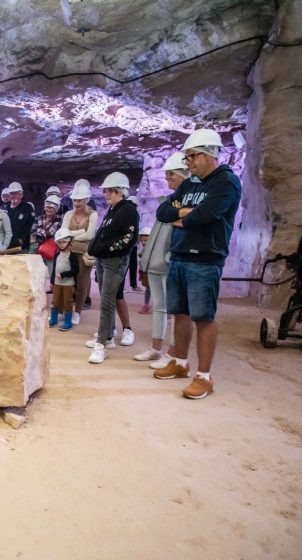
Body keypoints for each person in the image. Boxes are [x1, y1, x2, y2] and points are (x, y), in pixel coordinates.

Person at [155, 129, 241, 399]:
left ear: (210, 154)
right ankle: (180, 362)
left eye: (192, 156)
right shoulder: (190, 183)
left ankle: (204, 376)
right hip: (180, 254)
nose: (188, 162)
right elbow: (163, 212)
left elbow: (205, 215)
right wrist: (183, 213)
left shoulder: (225, 182)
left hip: (205, 257)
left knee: (204, 317)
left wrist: (183, 215)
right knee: (180, 312)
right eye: (187, 157)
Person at [134, 152, 190, 365]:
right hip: (155, 261)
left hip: (168, 263)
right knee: (159, 306)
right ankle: (156, 347)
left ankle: (172, 353)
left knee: (175, 310)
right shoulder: (170, 200)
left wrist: (169, 256)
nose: (167, 178)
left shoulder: (186, 201)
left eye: (171, 174)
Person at [85, 172, 139, 364]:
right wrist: (95, 248)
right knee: (105, 298)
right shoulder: (113, 210)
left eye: (109, 190)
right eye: (106, 190)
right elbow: (104, 233)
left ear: (120, 191)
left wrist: (106, 249)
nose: (106, 194)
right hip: (103, 260)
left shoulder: (128, 211)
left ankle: (100, 345)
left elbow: (128, 239)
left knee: (108, 301)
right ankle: (107, 337)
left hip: (114, 261)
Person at [60, 180, 99, 326]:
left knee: (82, 284)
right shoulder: (68, 214)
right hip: (68, 253)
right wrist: (78, 232)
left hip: (83, 253)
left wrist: (71, 234)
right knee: (67, 282)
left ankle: (78, 312)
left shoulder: (93, 215)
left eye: (79, 200)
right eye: (75, 200)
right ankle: (67, 310)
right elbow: (63, 233)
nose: (76, 203)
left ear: (86, 200)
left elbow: (90, 235)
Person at [48, 228, 79, 332]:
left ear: (70, 242)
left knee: (68, 302)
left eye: (64, 242)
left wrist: (64, 274)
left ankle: (68, 321)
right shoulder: (57, 255)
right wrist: (52, 282)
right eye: (59, 242)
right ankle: (53, 319)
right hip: (57, 283)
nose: (61, 245)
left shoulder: (73, 256)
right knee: (55, 301)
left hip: (68, 284)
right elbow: (54, 270)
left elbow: (76, 270)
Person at [31, 194, 63, 282]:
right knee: (38, 271)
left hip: (51, 250)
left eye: (51, 208)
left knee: (51, 270)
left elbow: (52, 232)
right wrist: (39, 235)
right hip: (38, 249)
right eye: (47, 207)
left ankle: (53, 287)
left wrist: (40, 234)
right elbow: (33, 232)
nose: (48, 209)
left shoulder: (59, 219)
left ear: (56, 209)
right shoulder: (39, 218)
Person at [6, 182, 35, 252]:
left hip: (23, 246)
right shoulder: (6, 208)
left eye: (15, 193)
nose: (13, 195)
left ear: (21, 195)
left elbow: (31, 225)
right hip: (8, 245)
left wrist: (22, 239)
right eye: (11, 193)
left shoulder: (27, 207)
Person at [137, 226, 152, 314]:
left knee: (162, 291)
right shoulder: (142, 251)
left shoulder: (154, 249)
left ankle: (166, 310)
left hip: (154, 272)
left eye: (145, 240)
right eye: (142, 240)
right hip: (146, 273)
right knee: (148, 289)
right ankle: (146, 305)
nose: (143, 242)